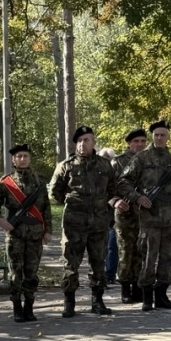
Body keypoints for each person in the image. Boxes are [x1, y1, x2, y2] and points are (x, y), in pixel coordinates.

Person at [49, 126, 124, 318]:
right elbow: (54, 193)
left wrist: (103, 205)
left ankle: (97, 301)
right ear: (76, 143)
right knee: (71, 264)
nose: (83, 144)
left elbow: (113, 189)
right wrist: (74, 202)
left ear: (94, 142)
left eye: (87, 140)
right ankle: (69, 302)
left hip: (99, 223)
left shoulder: (104, 165)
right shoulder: (66, 166)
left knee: (98, 262)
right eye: (80, 140)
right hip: (74, 223)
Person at [120, 121, 171, 311]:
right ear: (153, 136)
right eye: (156, 135)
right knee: (148, 257)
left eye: (163, 135)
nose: (159, 138)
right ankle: (147, 297)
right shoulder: (141, 159)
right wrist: (137, 197)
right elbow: (123, 182)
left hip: (170, 217)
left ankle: (162, 295)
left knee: (168, 258)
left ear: (168, 137)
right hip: (149, 217)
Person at [0, 144, 52, 322]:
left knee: (31, 272)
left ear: (29, 158)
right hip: (15, 234)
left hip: (35, 233)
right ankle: (17, 306)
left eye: (25, 156)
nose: (22, 159)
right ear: (13, 160)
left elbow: (46, 208)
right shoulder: (6, 182)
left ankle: (29, 307)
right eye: (19, 156)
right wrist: (0, 220)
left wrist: (48, 230)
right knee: (15, 272)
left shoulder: (39, 182)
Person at [111, 129, 146, 304]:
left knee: (141, 250)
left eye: (142, 141)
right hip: (125, 212)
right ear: (129, 143)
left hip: (144, 212)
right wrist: (115, 201)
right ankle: (125, 287)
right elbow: (107, 187)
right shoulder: (117, 162)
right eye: (136, 141)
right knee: (125, 250)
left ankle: (138, 286)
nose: (139, 144)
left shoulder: (148, 160)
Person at [97, 148, 119, 284]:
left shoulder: (114, 175)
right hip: (96, 216)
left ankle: (110, 275)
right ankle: (98, 275)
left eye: (108, 159)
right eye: (103, 158)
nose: (106, 161)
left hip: (112, 217)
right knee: (98, 248)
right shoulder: (94, 173)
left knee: (112, 246)